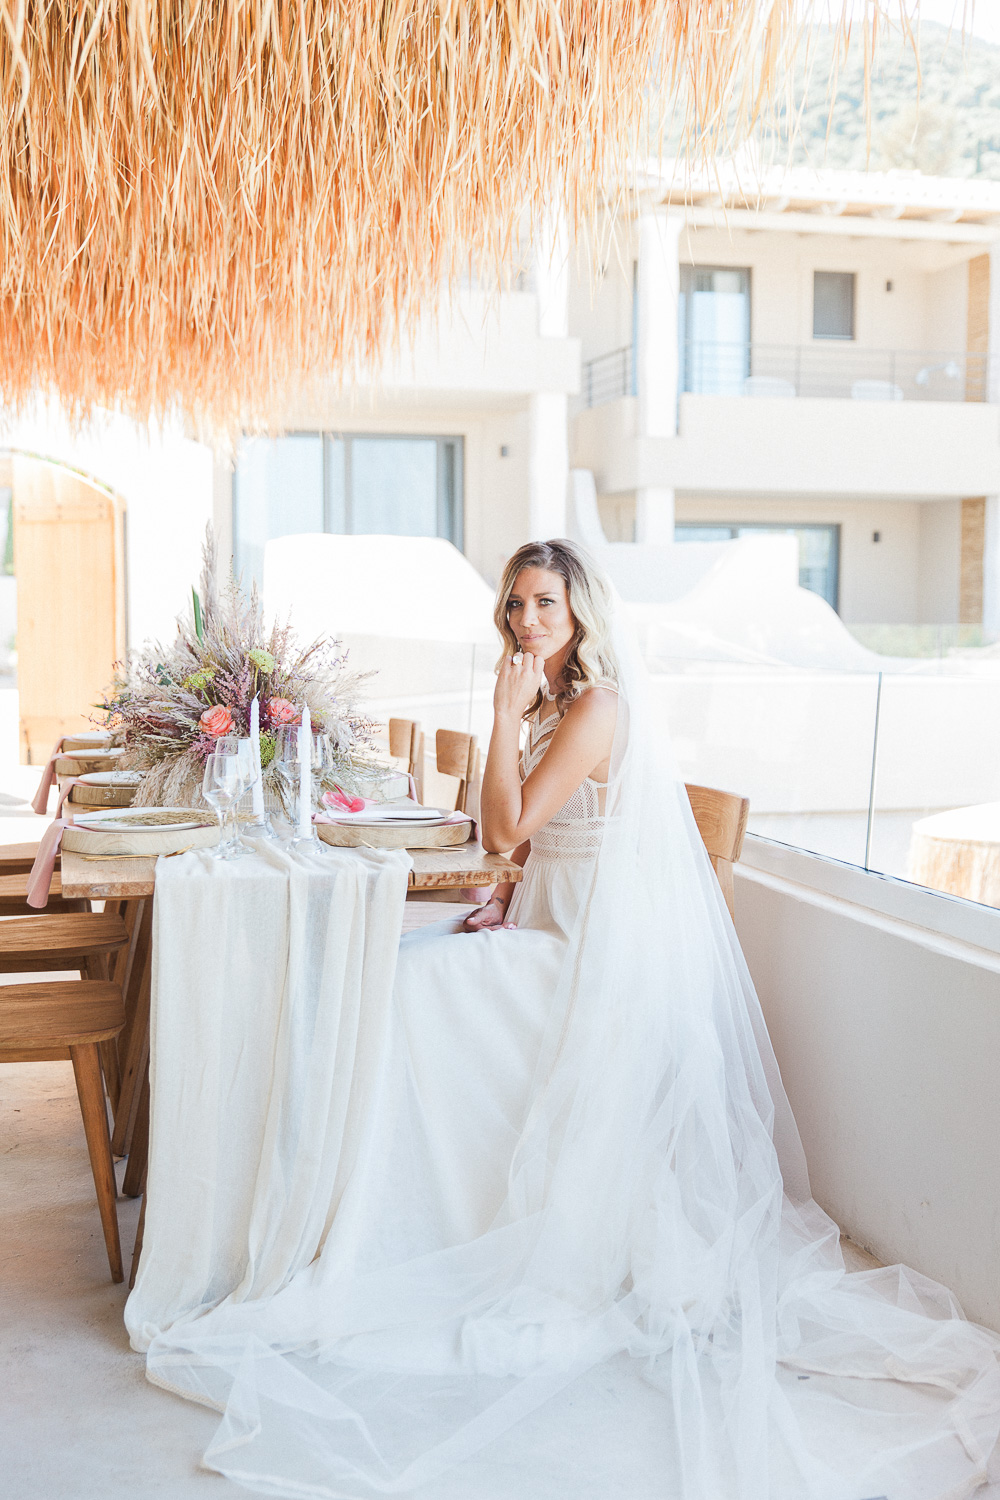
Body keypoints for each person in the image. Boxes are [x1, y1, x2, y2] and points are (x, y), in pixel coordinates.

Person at [143, 539, 1000, 1500]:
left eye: (544, 603)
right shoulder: (553, 703)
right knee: (402, 970)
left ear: (580, 612)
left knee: (412, 995)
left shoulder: (593, 708)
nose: (525, 621)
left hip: (593, 959)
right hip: (551, 919)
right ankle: (383, 1220)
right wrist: (514, 864)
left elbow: (502, 829)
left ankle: (411, 1234)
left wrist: (502, 725)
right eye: (515, 603)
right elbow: (502, 832)